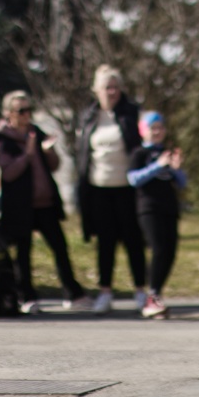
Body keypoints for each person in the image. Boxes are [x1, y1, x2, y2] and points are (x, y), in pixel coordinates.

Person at [0, 91, 88, 315]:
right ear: (9, 113)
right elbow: (8, 173)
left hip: (45, 203)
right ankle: (27, 296)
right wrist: (27, 154)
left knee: (60, 247)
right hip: (21, 207)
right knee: (23, 253)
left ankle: (73, 293)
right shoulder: (5, 140)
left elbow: (54, 166)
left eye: (29, 110)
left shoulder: (36, 132)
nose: (26, 115)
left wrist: (49, 152)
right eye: (21, 111)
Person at [77, 65, 147, 314]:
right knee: (105, 243)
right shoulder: (89, 117)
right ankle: (105, 292)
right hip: (99, 189)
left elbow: (139, 147)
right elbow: (83, 154)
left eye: (115, 87)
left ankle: (140, 290)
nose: (112, 92)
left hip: (127, 188)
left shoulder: (131, 113)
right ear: (96, 90)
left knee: (133, 241)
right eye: (107, 87)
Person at [127, 111, 187, 319]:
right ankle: (151, 296)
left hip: (169, 207)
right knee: (159, 248)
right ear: (143, 130)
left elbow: (182, 183)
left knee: (170, 251)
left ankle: (156, 293)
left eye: (160, 127)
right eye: (153, 128)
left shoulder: (167, 153)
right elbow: (134, 179)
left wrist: (176, 169)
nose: (157, 131)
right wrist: (157, 166)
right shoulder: (139, 153)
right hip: (149, 208)